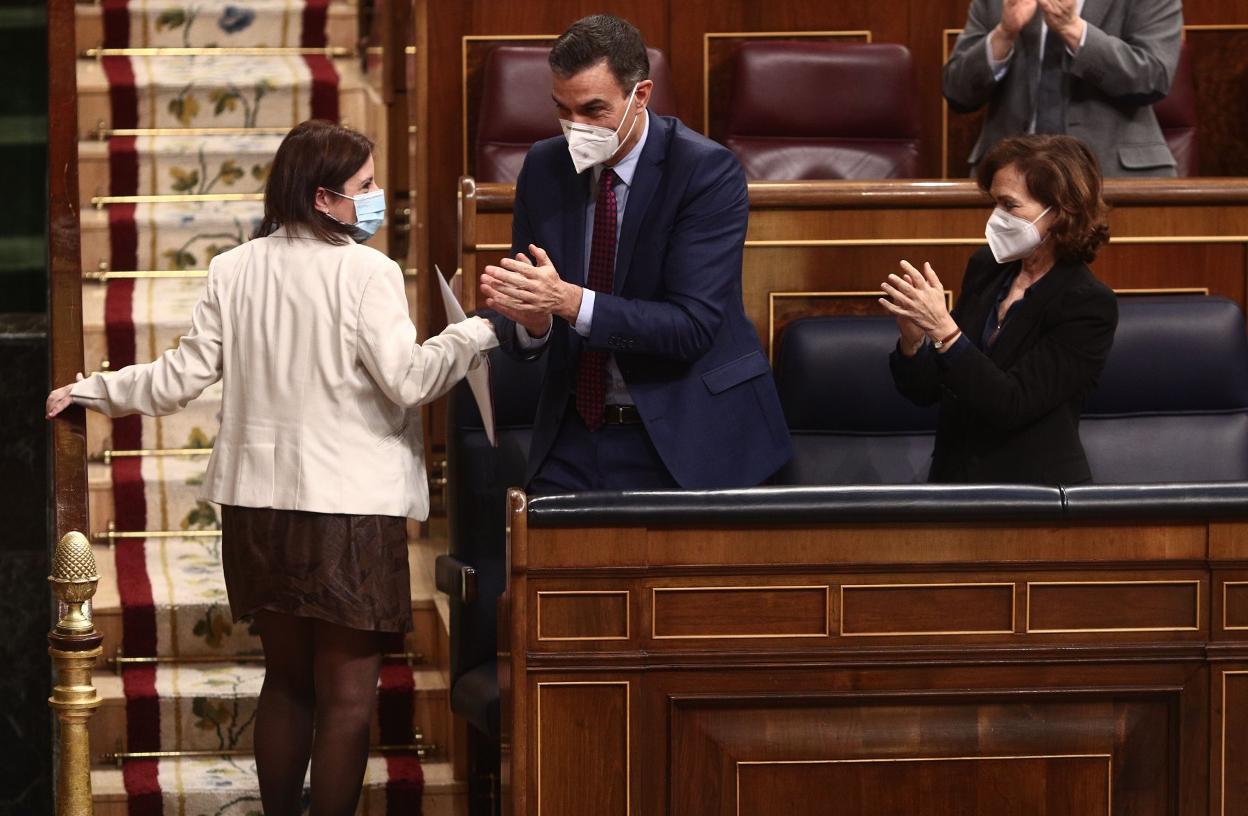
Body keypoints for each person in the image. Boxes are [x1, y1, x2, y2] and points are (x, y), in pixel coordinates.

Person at [46, 120, 497, 816]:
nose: (376, 200)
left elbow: (175, 380)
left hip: (258, 512)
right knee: (347, 700)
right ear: (324, 198)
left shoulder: (235, 267)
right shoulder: (368, 272)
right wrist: (474, 330)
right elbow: (408, 379)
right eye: (365, 188)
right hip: (348, 508)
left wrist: (92, 390)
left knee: (286, 681)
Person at [478, 14, 792, 493]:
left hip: (690, 436)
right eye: (563, 109)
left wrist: (567, 302)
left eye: (594, 110)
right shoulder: (544, 167)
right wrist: (530, 323)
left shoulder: (704, 172)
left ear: (640, 96)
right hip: (574, 434)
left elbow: (691, 326)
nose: (575, 128)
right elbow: (529, 306)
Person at [883, 134, 1117, 484]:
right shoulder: (987, 267)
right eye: (994, 204)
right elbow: (928, 391)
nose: (996, 217)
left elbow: (1012, 403)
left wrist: (946, 332)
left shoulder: (1087, 304)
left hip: (1033, 496)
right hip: (954, 484)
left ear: (1061, 211)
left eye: (1010, 206)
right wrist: (914, 342)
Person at [943, 0, 1183, 177]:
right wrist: (1003, 34)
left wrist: (1073, 29)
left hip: (1112, 174)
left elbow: (1153, 77)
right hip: (1009, 179)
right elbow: (956, 91)